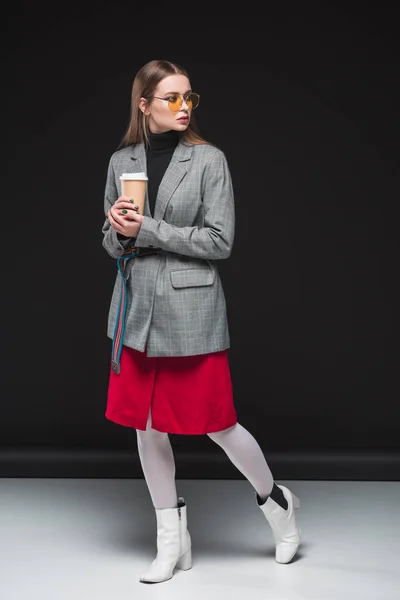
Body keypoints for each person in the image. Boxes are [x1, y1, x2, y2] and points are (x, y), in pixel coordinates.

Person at [101, 59, 301, 584]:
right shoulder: (122, 159)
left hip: (191, 309)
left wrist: (146, 228)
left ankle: (277, 503)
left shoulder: (209, 160)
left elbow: (219, 241)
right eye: (171, 98)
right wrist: (121, 233)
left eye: (189, 96)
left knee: (218, 423)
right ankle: (172, 541)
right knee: (147, 429)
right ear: (144, 105)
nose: (184, 106)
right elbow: (111, 240)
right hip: (135, 309)